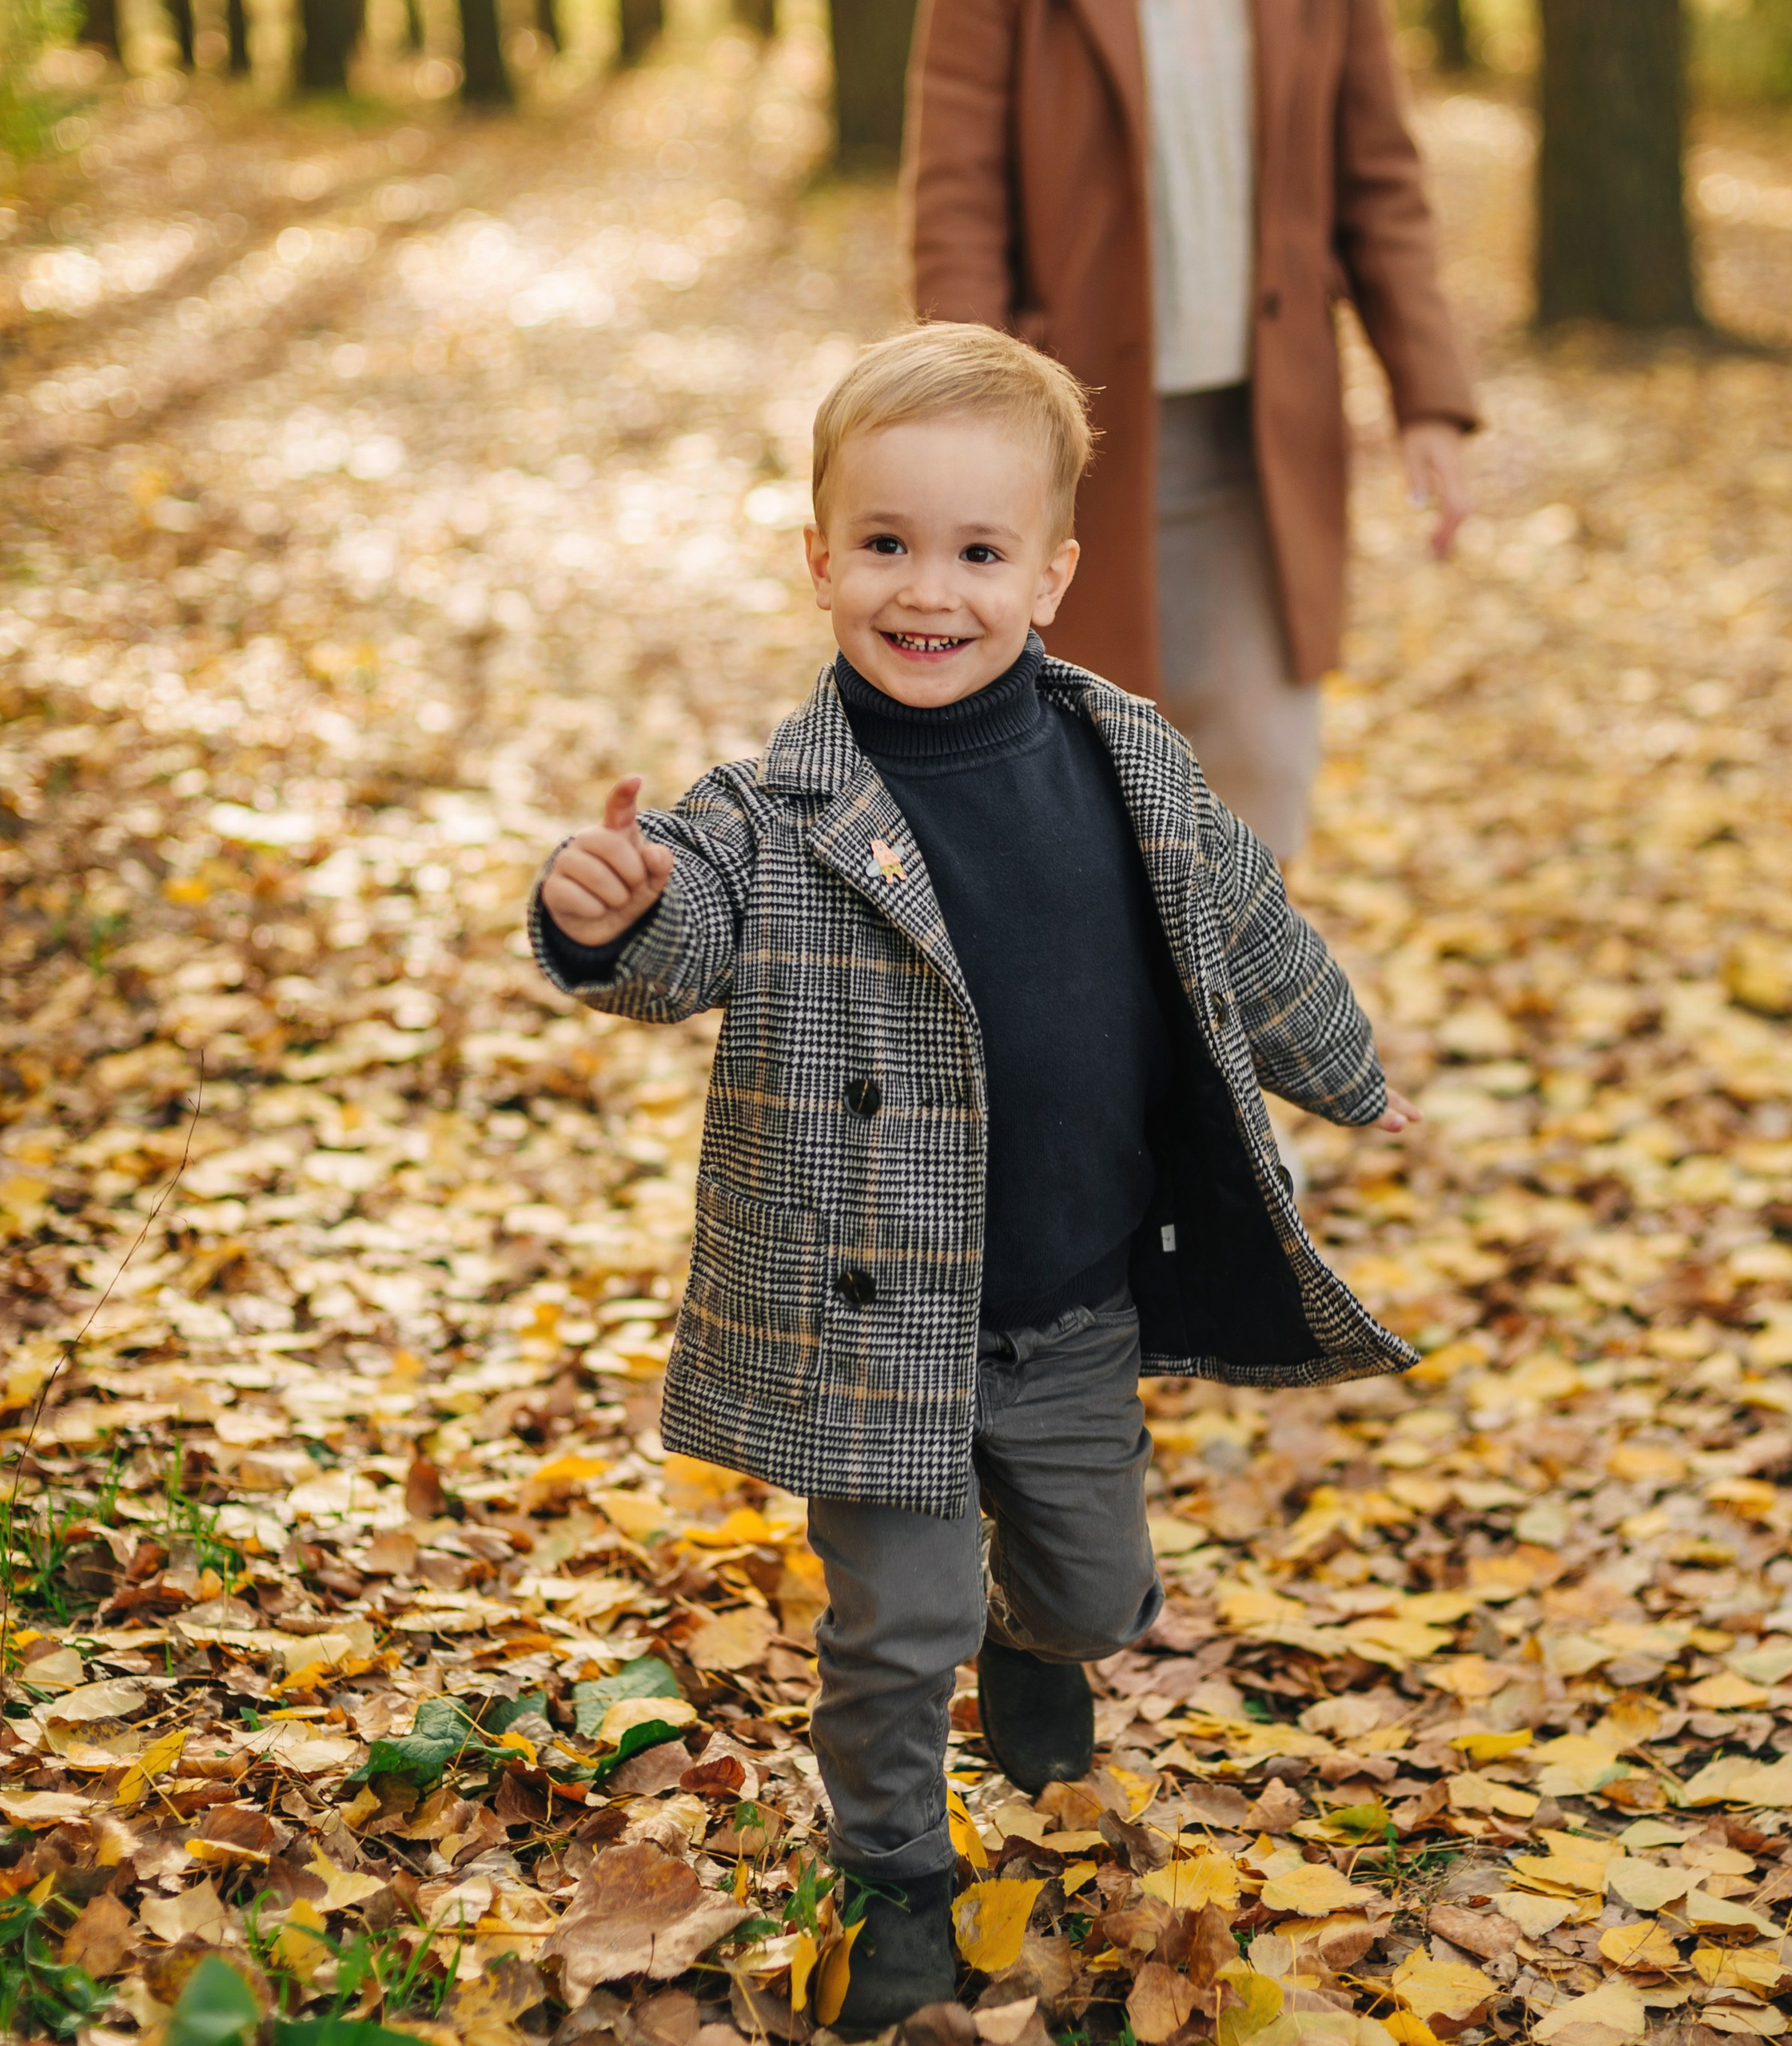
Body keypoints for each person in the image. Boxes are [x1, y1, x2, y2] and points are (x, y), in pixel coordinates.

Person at [531, 324, 1421, 2032]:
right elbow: (684, 934)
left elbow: (1240, 922)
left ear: (1050, 572)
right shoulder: (771, 811)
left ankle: (1034, 1642)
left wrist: (1342, 1063)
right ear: (817, 558)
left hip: (1073, 1304)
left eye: (974, 550)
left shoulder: (1128, 755)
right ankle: (891, 1879)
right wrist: (612, 910)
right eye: (883, 544)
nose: (923, 589)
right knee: (890, 1627)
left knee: (1097, 1587)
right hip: (878, 1328)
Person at [902, 0, 1478, 861]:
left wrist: (1428, 394)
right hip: (1061, 447)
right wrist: (967, 409)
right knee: (1065, 784)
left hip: (1262, 440)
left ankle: (1229, 995)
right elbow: (960, 192)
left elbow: (1379, 180)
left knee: (1259, 773)